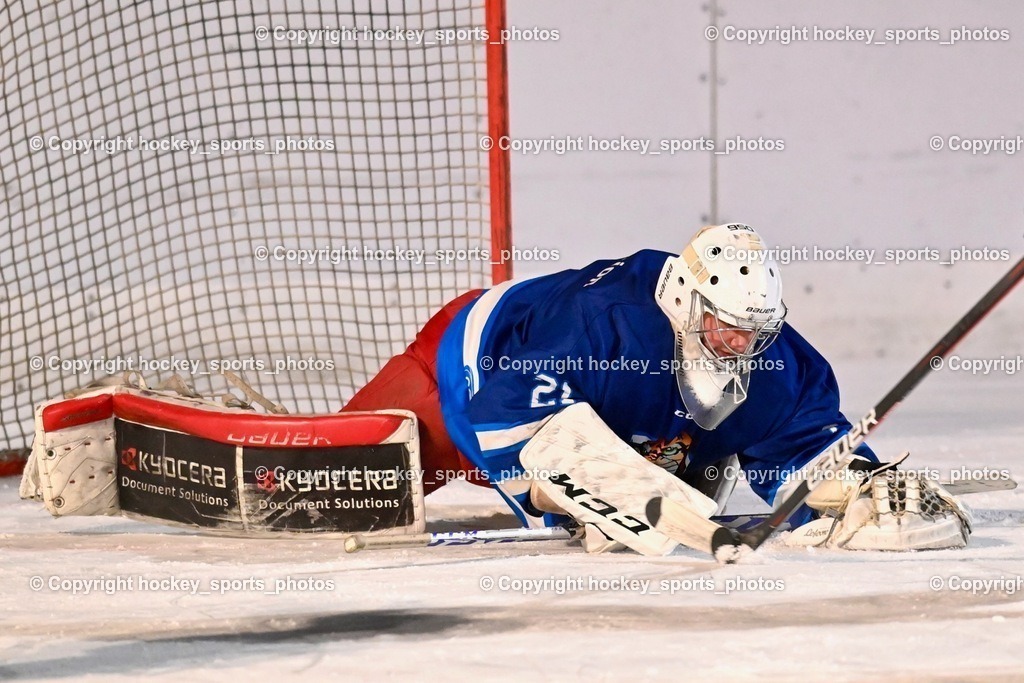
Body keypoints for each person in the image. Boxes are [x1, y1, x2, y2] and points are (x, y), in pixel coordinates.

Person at [342, 223, 970, 552]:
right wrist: (559, 495)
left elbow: (804, 450)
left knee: (696, 469)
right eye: (727, 326)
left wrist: (849, 484)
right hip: (461, 361)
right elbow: (502, 399)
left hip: (630, 423)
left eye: (755, 331)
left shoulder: (770, 360)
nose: (740, 346)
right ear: (684, 302)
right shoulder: (605, 327)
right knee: (345, 489)